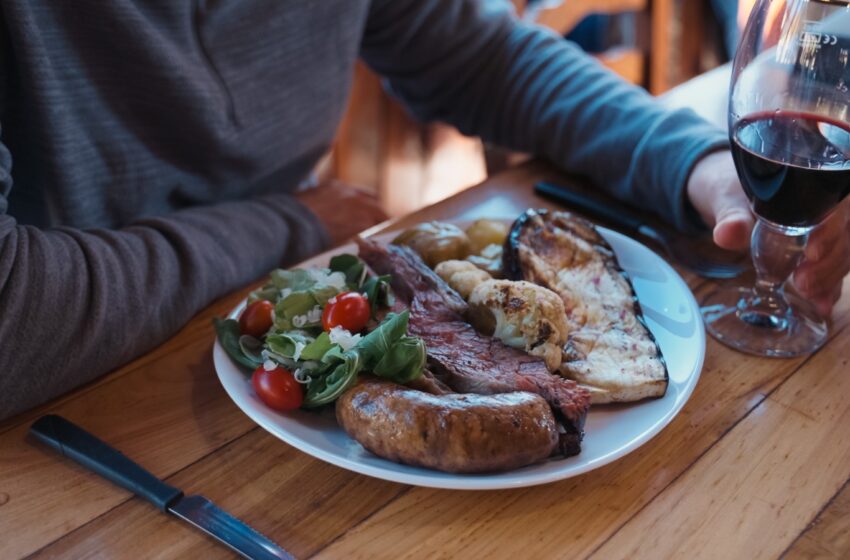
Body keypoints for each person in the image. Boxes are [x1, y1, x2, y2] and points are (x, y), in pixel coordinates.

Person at [0, 0, 847, 421]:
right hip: (69, 400)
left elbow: (480, 57)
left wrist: (697, 166)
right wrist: (292, 222)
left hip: (285, 350)